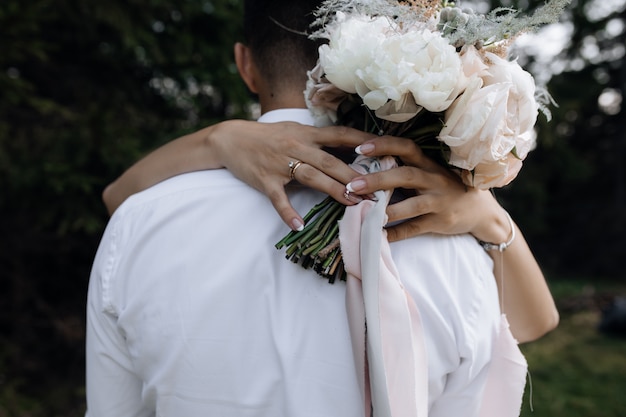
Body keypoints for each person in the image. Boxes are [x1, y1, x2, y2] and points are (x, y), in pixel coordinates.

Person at [86, 1, 555, 416]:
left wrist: (215, 136)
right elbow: (531, 328)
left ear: (245, 65)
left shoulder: (139, 220)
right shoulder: (450, 245)